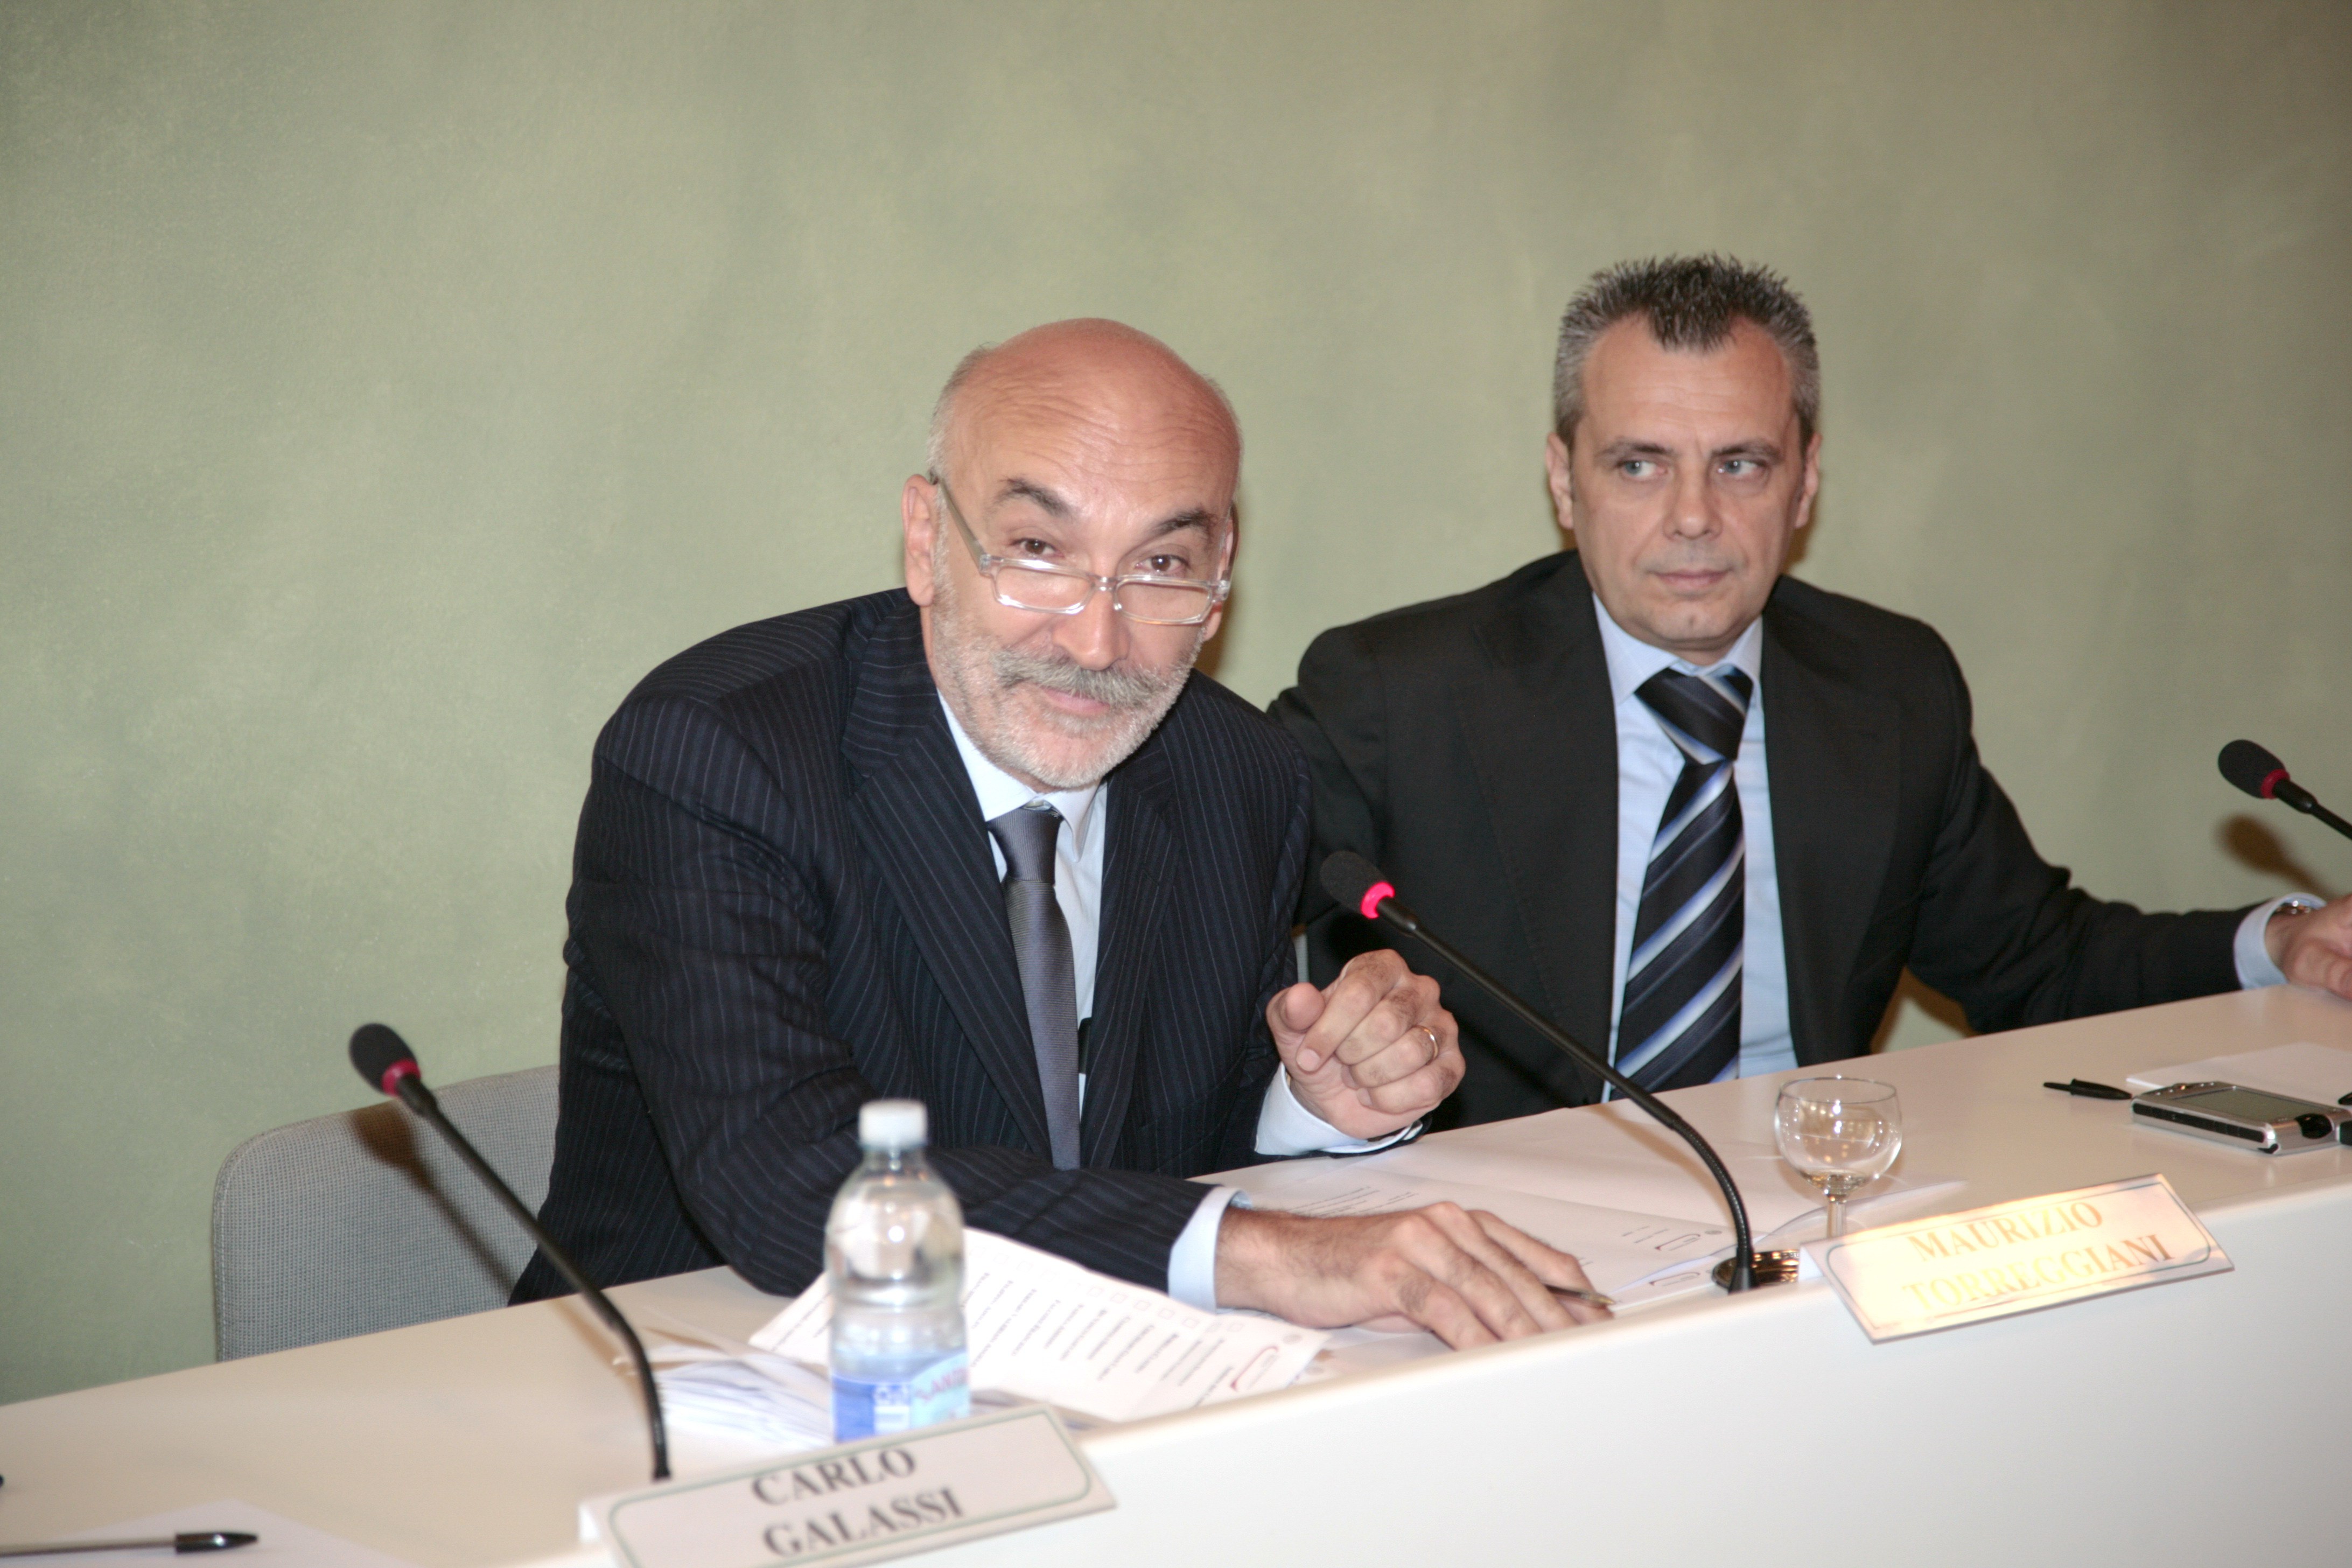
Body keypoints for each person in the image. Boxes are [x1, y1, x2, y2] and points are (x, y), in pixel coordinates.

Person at [516, 319, 1605, 1345]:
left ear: (1219, 582)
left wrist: (1313, 1103)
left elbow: (1151, 1162)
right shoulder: (717, 753)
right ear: (926, 542)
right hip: (693, 1372)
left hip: (1102, 1369)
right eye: (1038, 549)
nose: (1095, 642)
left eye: (1161, 566)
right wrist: (1269, 1254)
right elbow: (790, 1189)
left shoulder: (1237, 774)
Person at [1273, 255, 2352, 1128]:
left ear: (1806, 481)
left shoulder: (1890, 686)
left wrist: (2281, 940)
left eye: (1740, 464)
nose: (1693, 517)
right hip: (1504, 1222)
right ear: (1565, 479)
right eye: (1640, 464)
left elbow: (2041, 962)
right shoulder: (1397, 696)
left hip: (1818, 1200)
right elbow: (1218, 950)